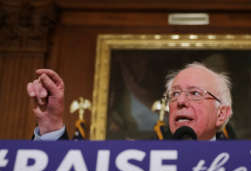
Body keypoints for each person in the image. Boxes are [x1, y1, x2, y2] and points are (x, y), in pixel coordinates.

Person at [26, 62, 233, 140]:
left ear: (222, 114)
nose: (180, 102)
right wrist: (51, 123)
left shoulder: (249, 166)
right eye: (175, 94)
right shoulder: (136, 160)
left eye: (194, 94)